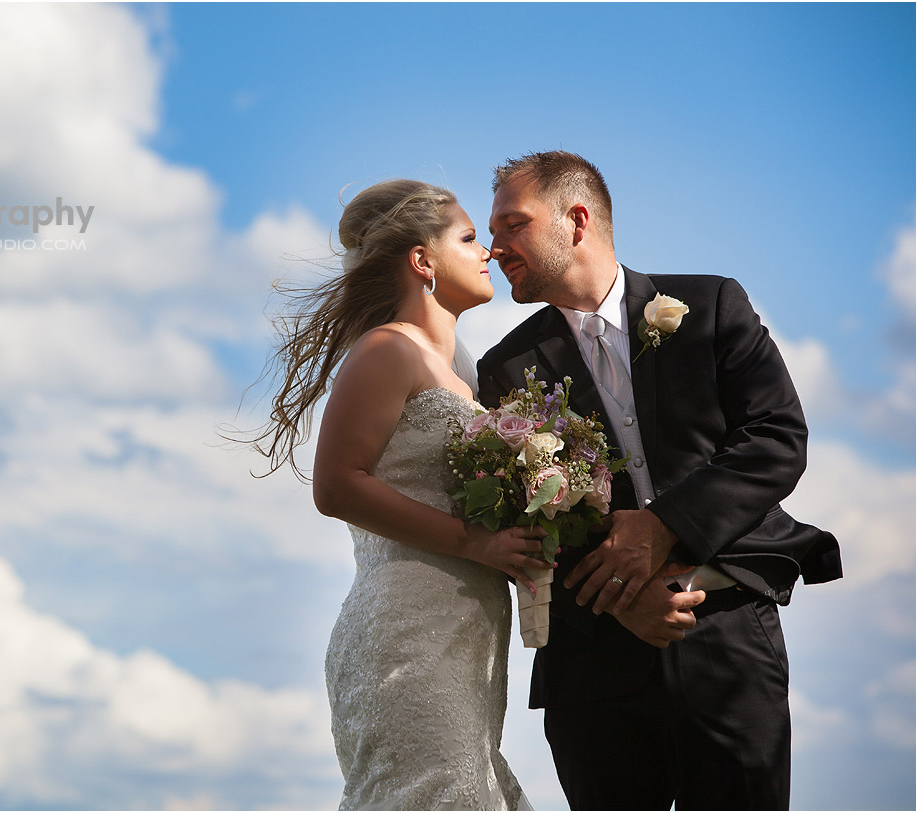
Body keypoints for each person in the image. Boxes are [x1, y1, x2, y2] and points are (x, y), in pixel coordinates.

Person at [477, 151, 842, 810]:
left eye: (512, 224)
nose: (494, 246)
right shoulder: (506, 367)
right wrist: (620, 596)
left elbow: (776, 439)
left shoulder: (710, 305)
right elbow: (521, 520)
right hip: (592, 663)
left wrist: (663, 525)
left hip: (727, 633)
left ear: (577, 220)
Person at [249, 179, 546, 809]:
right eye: (468, 239)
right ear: (423, 260)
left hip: (468, 636)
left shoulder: (467, 382)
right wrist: (480, 544)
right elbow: (336, 487)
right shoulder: (388, 350)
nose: (487, 251)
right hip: (408, 632)